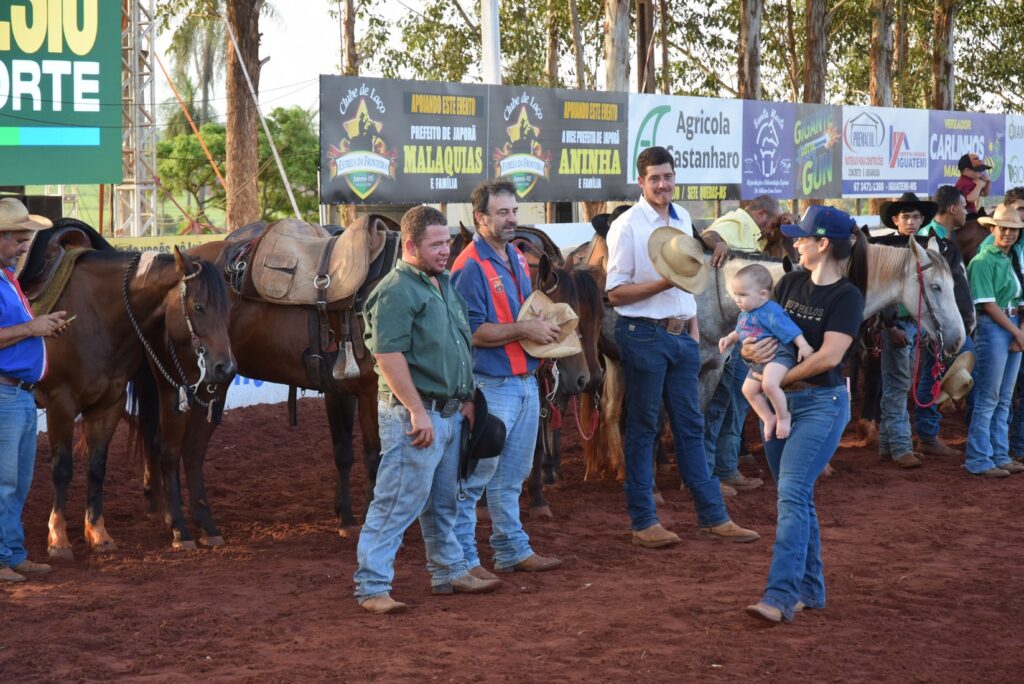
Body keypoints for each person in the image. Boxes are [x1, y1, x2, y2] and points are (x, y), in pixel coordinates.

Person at [605, 145, 759, 548]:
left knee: (690, 426)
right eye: (654, 178)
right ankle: (643, 522)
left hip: (678, 336)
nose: (662, 184)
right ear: (641, 181)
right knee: (644, 428)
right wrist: (662, 285)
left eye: (668, 176)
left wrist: (690, 327)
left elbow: (690, 281)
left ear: (675, 178)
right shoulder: (626, 226)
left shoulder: (683, 217)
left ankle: (713, 516)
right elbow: (615, 294)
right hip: (642, 334)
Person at [354, 205, 500, 615]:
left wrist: (467, 398)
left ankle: (450, 570)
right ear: (411, 245)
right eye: (436, 245)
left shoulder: (443, 284)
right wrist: (417, 411)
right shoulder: (396, 290)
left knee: (443, 500)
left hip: (448, 411)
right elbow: (387, 354)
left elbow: (456, 345)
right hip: (415, 415)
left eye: (448, 242)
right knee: (396, 500)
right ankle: (371, 586)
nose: (445, 251)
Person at [742, 204, 866, 623]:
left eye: (802, 237)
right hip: (784, 404)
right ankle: (810, 590)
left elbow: (830, 356)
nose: (795, 241)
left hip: (821, 405)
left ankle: (779, 596)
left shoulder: (846, 295)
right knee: (797, 496)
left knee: (792, 494)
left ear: (823, 243)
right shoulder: (789, 282)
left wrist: (779, 378)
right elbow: (760, 331)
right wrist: (748, 352)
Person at [450, 180, 562, 575]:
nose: (512, 218)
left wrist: (540, 326)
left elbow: (519, 316)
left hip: (523, 381)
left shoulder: (514, 255)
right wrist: (526, 331)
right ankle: (464, 559)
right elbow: (472, 332)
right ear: (480, 218)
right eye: (502, 212)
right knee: (476, 478)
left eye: (514, 211)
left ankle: (510, 549)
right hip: (492, 384)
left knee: (512, 476)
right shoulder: (468, 266)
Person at [0, 198, 69, 584]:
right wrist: (33, 328)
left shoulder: (6, 279)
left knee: (17, 483)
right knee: (5, 483)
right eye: (20, 239)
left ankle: (11, 553)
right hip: (7, 395)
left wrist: (41, 325)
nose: (26, 246)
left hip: (18, 395)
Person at [698, 197, 782, 494]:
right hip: (726, 332)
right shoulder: (737, 222)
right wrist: (718, 242)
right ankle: (708, 470)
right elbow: (708, 235)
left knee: (733, 401)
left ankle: (725, 467)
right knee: (720, 401)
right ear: (760, 214)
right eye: (772, 222)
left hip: (737, 330)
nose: (772, 229)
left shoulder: (753, 232)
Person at [870, 192, 938, 469]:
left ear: (922, 220)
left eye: (915, 217)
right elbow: (878, 292)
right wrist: (887, 324)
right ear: (896, 220)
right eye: (905, 217)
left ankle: (890, 444)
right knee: (898, 385)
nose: (910, 221)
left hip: (915, 323)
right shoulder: (885, 249)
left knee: (898, 384)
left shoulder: (924, 249)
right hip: (896, 324)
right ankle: (900, 447)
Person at [913, 185, 975, 457]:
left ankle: (931, 432)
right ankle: (927, 434)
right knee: (932, 373)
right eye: (963, 206)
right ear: (952, 209)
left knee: (936, 373)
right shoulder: (928, 241)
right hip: (941, 324)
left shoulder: (944, 240)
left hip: (954, 322)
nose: (966, 211)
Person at [963, 203, 1024, 478]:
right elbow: (986, 305)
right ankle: (979, 458)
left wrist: (1019, 331)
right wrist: (1018, 333)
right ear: (993, 228)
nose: (1009, 234)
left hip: (1010, 327)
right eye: (1004, 228)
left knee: (1003, 397)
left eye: (1014, 229)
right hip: (995, 327)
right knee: (990, 397)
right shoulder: (982, 261)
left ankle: (998, 455)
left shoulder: (1008, 259)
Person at [719, 264, 813, 441]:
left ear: (762, 295)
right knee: (748, 390)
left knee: (769, 385)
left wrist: (803, 345)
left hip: (779, 356)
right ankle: (768, 417)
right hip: (759, 362)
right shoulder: (745, 313)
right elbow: (739, 331)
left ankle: (783, 417)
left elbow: (791, 329)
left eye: (743, 295)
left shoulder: (771, 311)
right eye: (736, 294)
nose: (738, 300)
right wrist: (729, 338)